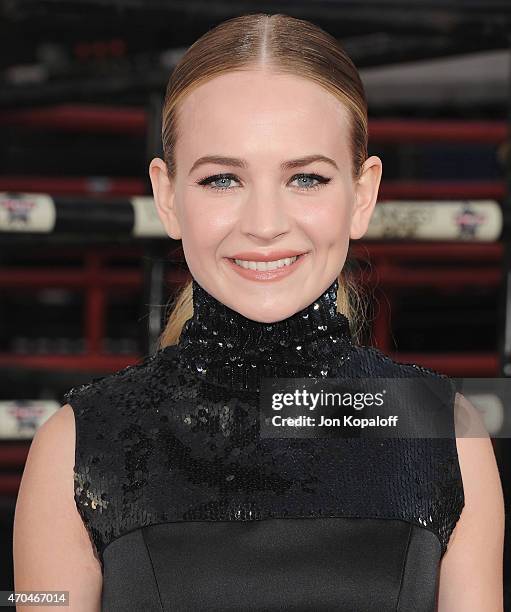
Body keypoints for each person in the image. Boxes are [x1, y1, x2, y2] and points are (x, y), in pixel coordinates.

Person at [13, 12, 504, 612]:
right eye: (222, 179)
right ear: (167, 197)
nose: (265, 224)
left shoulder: (448, 435)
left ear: (364, 194)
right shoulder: (74, 447)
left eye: (307, 179)